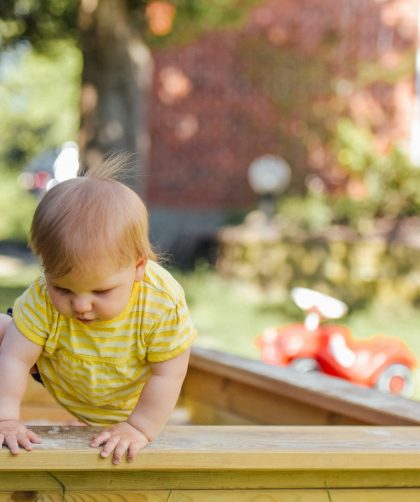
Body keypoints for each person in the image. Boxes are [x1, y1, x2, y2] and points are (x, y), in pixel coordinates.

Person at [0, 155, 197, 464]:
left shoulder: (160, 303)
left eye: (101, 291)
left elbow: (168, 373)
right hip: (61, 368)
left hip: (127, 394)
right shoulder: (40, 297)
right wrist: (6, 420)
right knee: (6, 331)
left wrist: (139, 428)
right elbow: (13, 358)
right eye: (62, 289)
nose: (80, 305)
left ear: (138, 267)